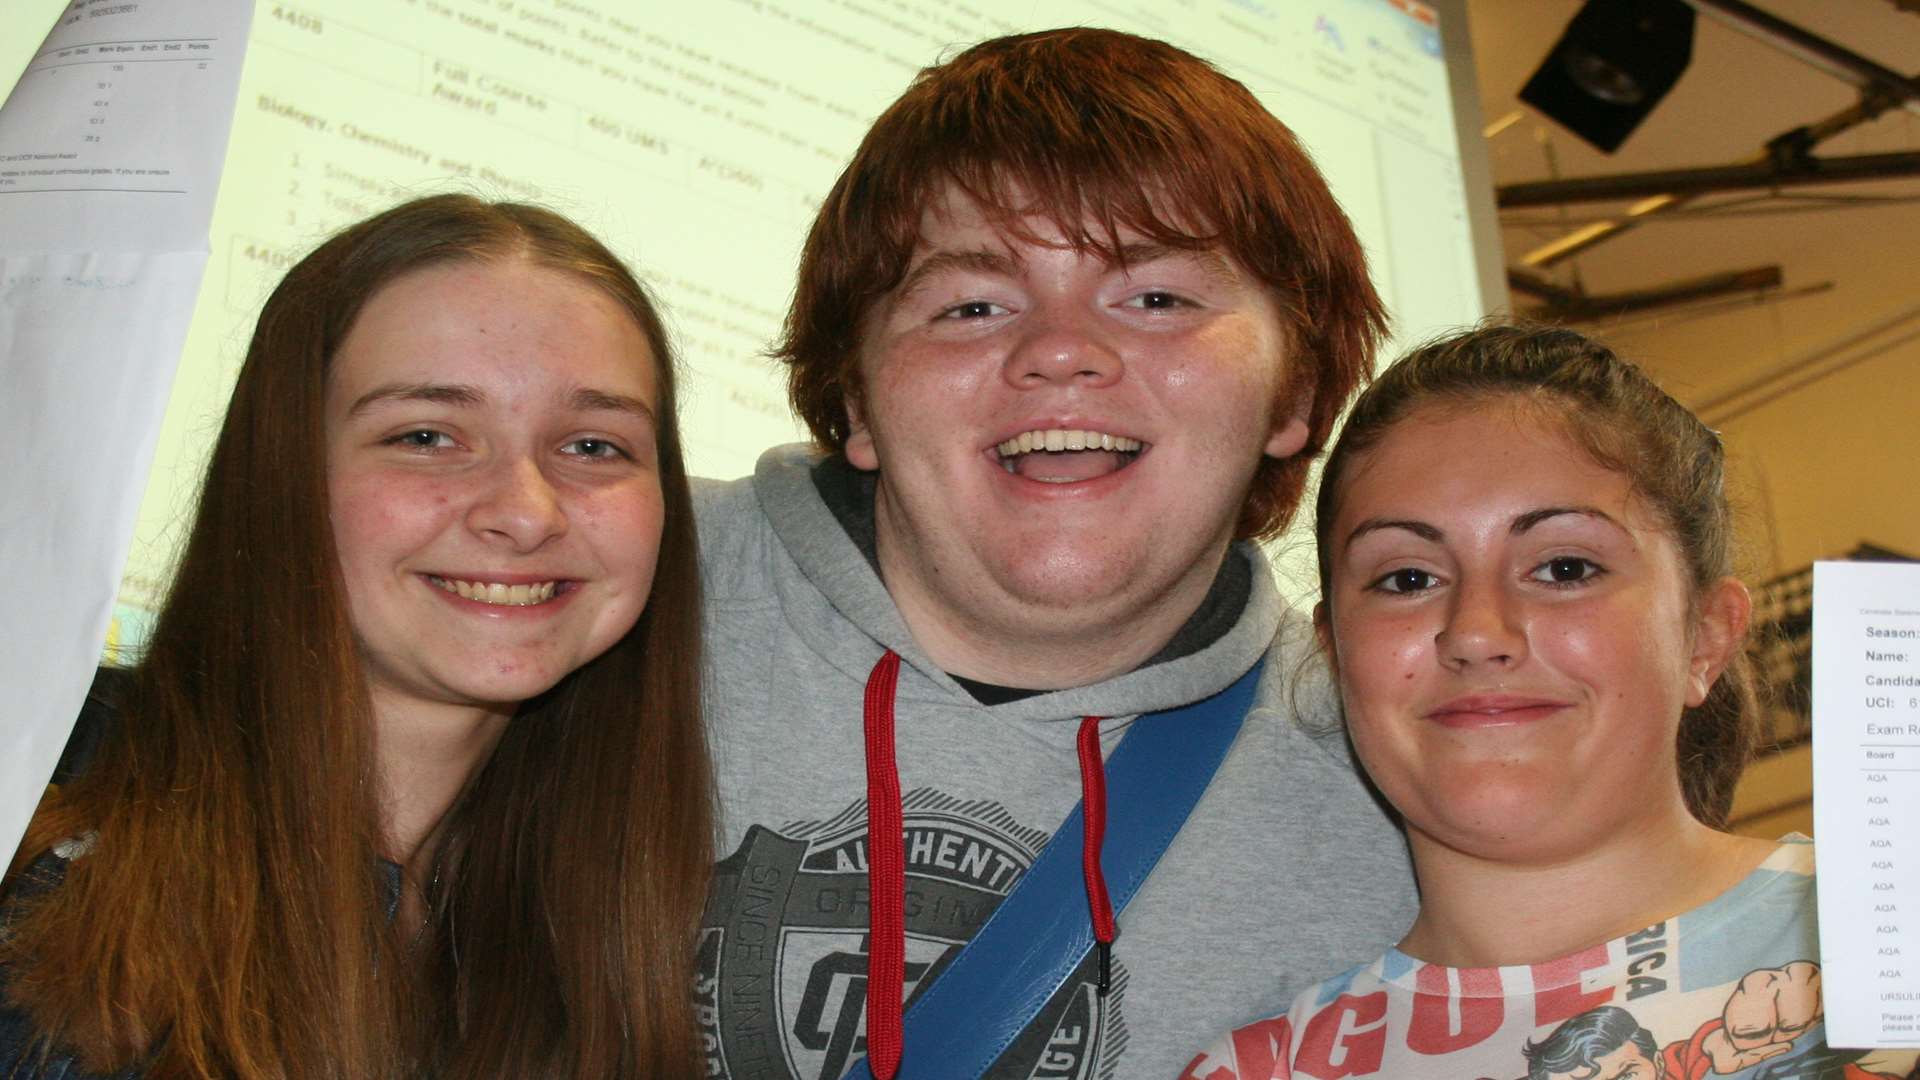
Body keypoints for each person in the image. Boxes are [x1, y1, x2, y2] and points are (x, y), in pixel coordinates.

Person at [693, 28, 1416, 1080]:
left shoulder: (1397, 787)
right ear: (854, 397)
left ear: (1297, 391)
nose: (1061, 351)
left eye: (1158, 297)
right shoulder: (625, 599)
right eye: (972, 304)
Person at [0, 194, 713, 1078]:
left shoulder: (608, 933)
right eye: (427, 435)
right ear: (284, 471)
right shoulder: (36, 796)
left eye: (596, 447)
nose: (527, 513)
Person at [1182, 325, 1920, 1079]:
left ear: (1705, 637)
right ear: (1335, 655)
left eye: (1565, 567)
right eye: (1406, 579)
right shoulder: (1262, 1070)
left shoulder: (1902, 946)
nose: (1475, 632)